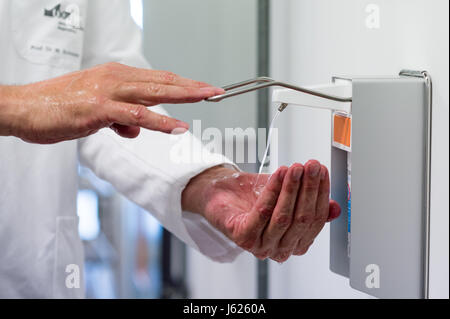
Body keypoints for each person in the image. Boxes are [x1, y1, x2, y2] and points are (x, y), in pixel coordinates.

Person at [0, 0, 340, 298]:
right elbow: (57, 104)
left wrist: (204, 183)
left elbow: (102, 106)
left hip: (34, 269)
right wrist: (15, 106)